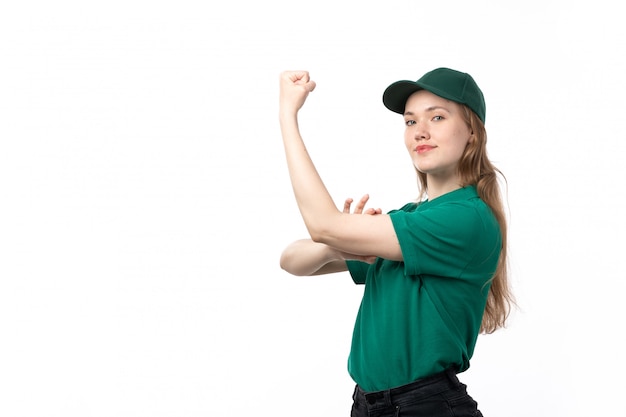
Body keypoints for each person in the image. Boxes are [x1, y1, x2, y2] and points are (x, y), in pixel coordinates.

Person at [278, 67, 514, 417]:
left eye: (437, 117)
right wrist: (335, 245)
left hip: (424, 407)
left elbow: (322, 224)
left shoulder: (466, 218)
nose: (420, 131)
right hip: (369, 406)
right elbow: (292, 260)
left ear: (472, 134)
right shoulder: (407, 220)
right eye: (409, 121)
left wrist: (287, 115)